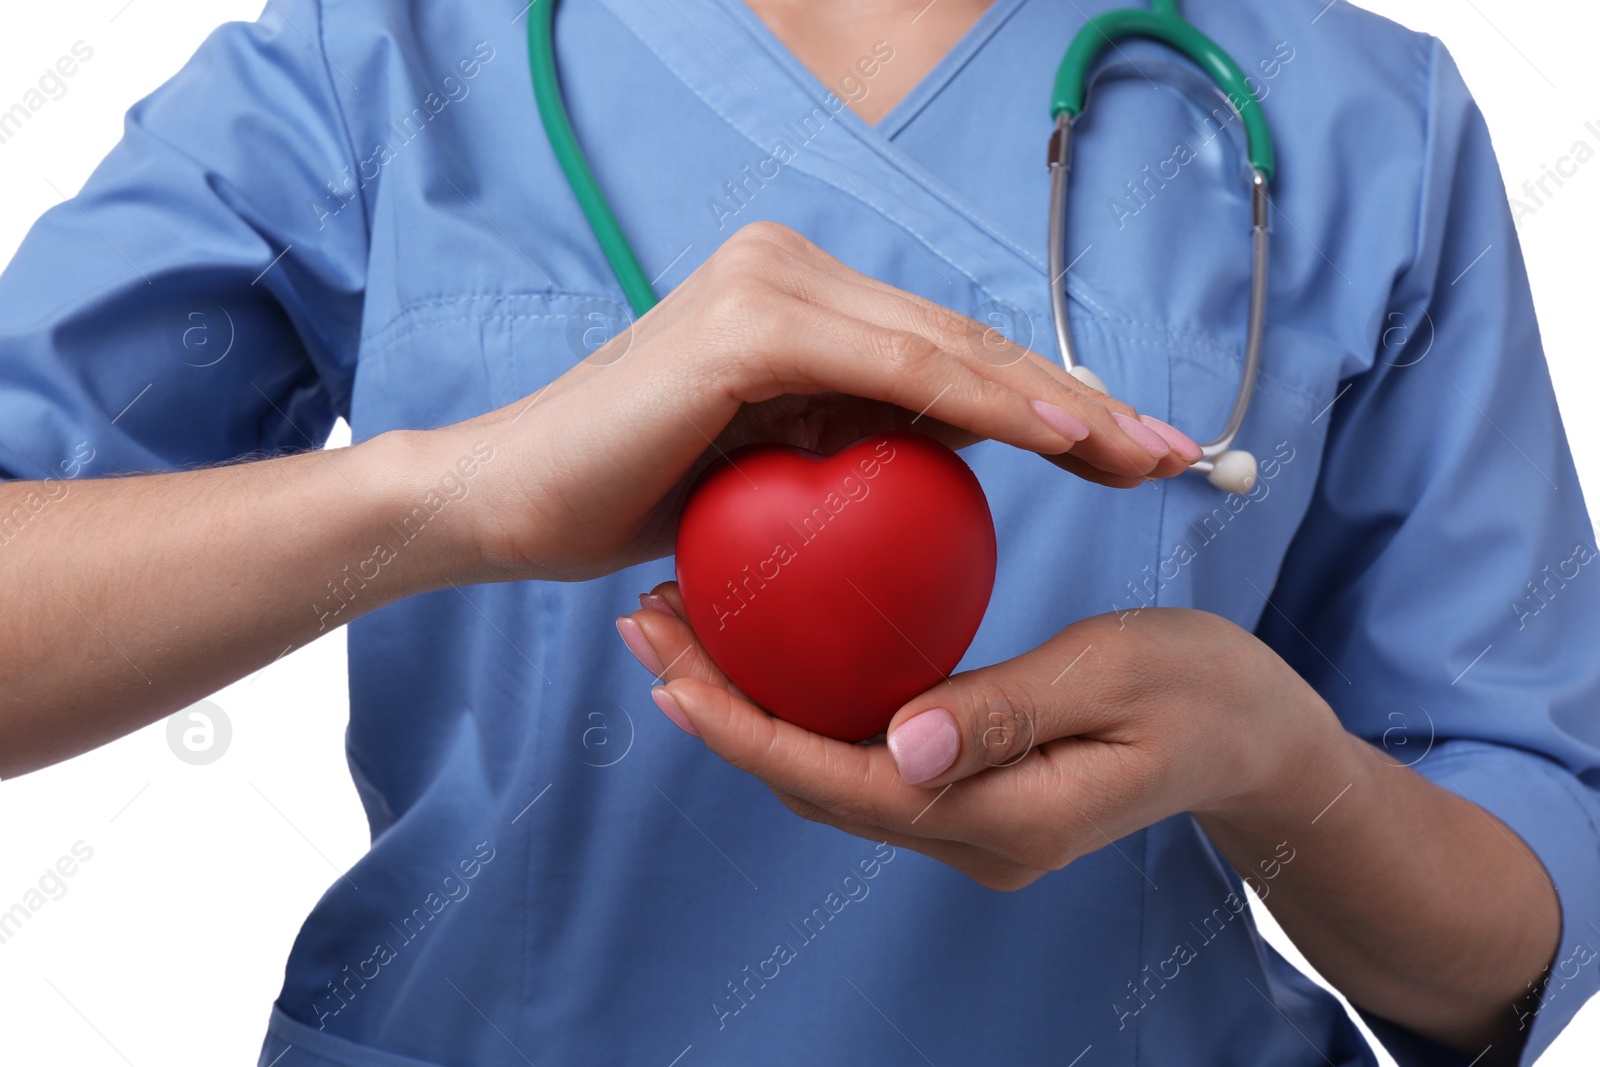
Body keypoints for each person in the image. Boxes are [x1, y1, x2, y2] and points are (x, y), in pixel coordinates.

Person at [1, 0, 1595, 1064]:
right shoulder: (390, 53)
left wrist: (1270, 760)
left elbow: (1504, 939)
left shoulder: (1358, 114)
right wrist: (453, 492)